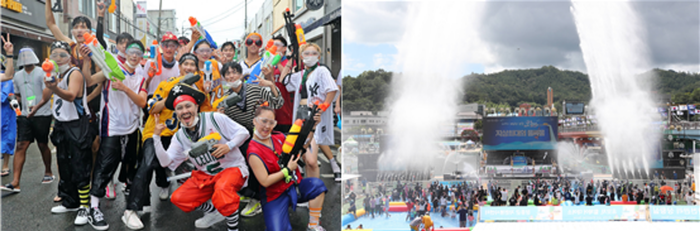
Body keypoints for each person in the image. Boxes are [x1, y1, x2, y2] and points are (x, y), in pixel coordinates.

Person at [121, 53, 211, 229]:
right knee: (147, 163)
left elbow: (208, 115)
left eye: (193, 65)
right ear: (180, 67)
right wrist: (173, 92)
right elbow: (152, 107)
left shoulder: (200, 91)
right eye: (185, 64)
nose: (189, 67)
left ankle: (209, 204)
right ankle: (131, 210)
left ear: (197, 70)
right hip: (156, 131)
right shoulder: (166, 84)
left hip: (182, 137)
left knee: (200, 164)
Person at [152, 84, 250, 231]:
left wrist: (228, 146)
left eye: (188, 106)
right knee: (178, 198)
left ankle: (233, 228)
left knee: (223, 191)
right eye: (179, 108)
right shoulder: (179, 137)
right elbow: (166, 162)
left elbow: (244, 133)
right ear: (176, 113)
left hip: (231, 168)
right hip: (206, 175)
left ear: (196, 107)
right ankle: (214, 212)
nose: (184, 111)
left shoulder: (215, 118)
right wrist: (156, 137)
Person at [79, 40, 148, 230]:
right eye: (131, 51)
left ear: (142, 57)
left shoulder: (140, 78)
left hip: (132, 128)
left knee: (132, 165)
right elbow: (90, 81)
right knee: (105, 165)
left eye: (138, 53)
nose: (134, 56)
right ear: (125, 52)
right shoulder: (111, 69)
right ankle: (94, 207)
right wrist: (86, 61)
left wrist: (125, 88)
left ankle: (132, 207)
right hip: (112, 127)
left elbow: (142, 102)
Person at [30, 41, 93, 228]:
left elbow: (72, 95)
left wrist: (55, 87)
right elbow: (47, 95)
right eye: (54, 54)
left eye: (62, 55)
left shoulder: (75, 73)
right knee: (64, 164)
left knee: (79, 164)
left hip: (76, 124)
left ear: (70, 56)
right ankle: (70, 201)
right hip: (61, 124)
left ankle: (85, 206)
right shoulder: (56, 74)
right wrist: (38, 105)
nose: (58, 58)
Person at [216, 61, 284, 217]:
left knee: (251, 157)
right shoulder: (225, 100)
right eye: (228, 74)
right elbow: (227, 126)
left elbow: (278, 103)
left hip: (260, 133)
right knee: (233, 160)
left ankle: (257, 198)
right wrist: (221, 116)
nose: (231, 76)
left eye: (234, 72)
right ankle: (249, 191)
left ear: (241, 74)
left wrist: (271, 85)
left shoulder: (254, 89)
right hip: (241, 136)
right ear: (224, 78)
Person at [247, 102, 328, 230]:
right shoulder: (253, 151)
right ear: (254, 121)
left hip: (293, 187)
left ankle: (313, 225)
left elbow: (303, 147)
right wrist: (287, 170)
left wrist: (313, 127)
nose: (267, 126)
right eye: (263, 121)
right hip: (274, 195)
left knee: (317, 186)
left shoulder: (279, 137)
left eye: (271, 122)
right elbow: (265, 181)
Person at [282, 43, 341, 182]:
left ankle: (315, 193)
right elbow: (284, 80)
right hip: (300, 115)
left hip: (313, 115)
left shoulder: (321, 71)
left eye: (313, 53)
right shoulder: (301, 74)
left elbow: (332, 90)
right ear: (301, 57)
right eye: (306, 54)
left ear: (319, 56)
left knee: (311, 160)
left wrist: (323, 108)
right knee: (303, 156)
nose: (310, 56)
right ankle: (309, 194)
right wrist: (289, 62)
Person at [1, 46, 55, 192]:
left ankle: (48, 171)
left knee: (43, 144)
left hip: (42, 114)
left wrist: (36, 107)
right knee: (21, 145)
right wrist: (14, 100)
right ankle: (16, 182)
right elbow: (18, 95)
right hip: (24, 115)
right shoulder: (17, 75)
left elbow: (47, 93)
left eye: (28, 55)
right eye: (22, 56)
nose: (25, 58)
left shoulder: (42, 72)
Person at [1, 59, 16, 181]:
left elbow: (4, 96)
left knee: (6, 137)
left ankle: (5, 165)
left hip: (4, 113)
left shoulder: (6, 79)